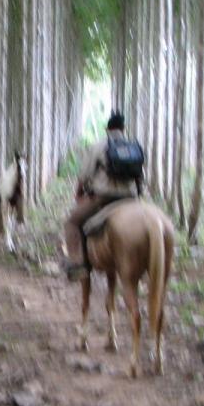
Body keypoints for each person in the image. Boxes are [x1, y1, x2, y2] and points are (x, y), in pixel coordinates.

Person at [61, 110, 145, 281]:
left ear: (108, 129)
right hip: (131, 198)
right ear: (123, 128)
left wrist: (78, 192)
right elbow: (140, 176)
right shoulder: (132, 147)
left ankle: (77, 265)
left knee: (71, 223)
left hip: (103, 197)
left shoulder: (99, 146)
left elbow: (84, 175)